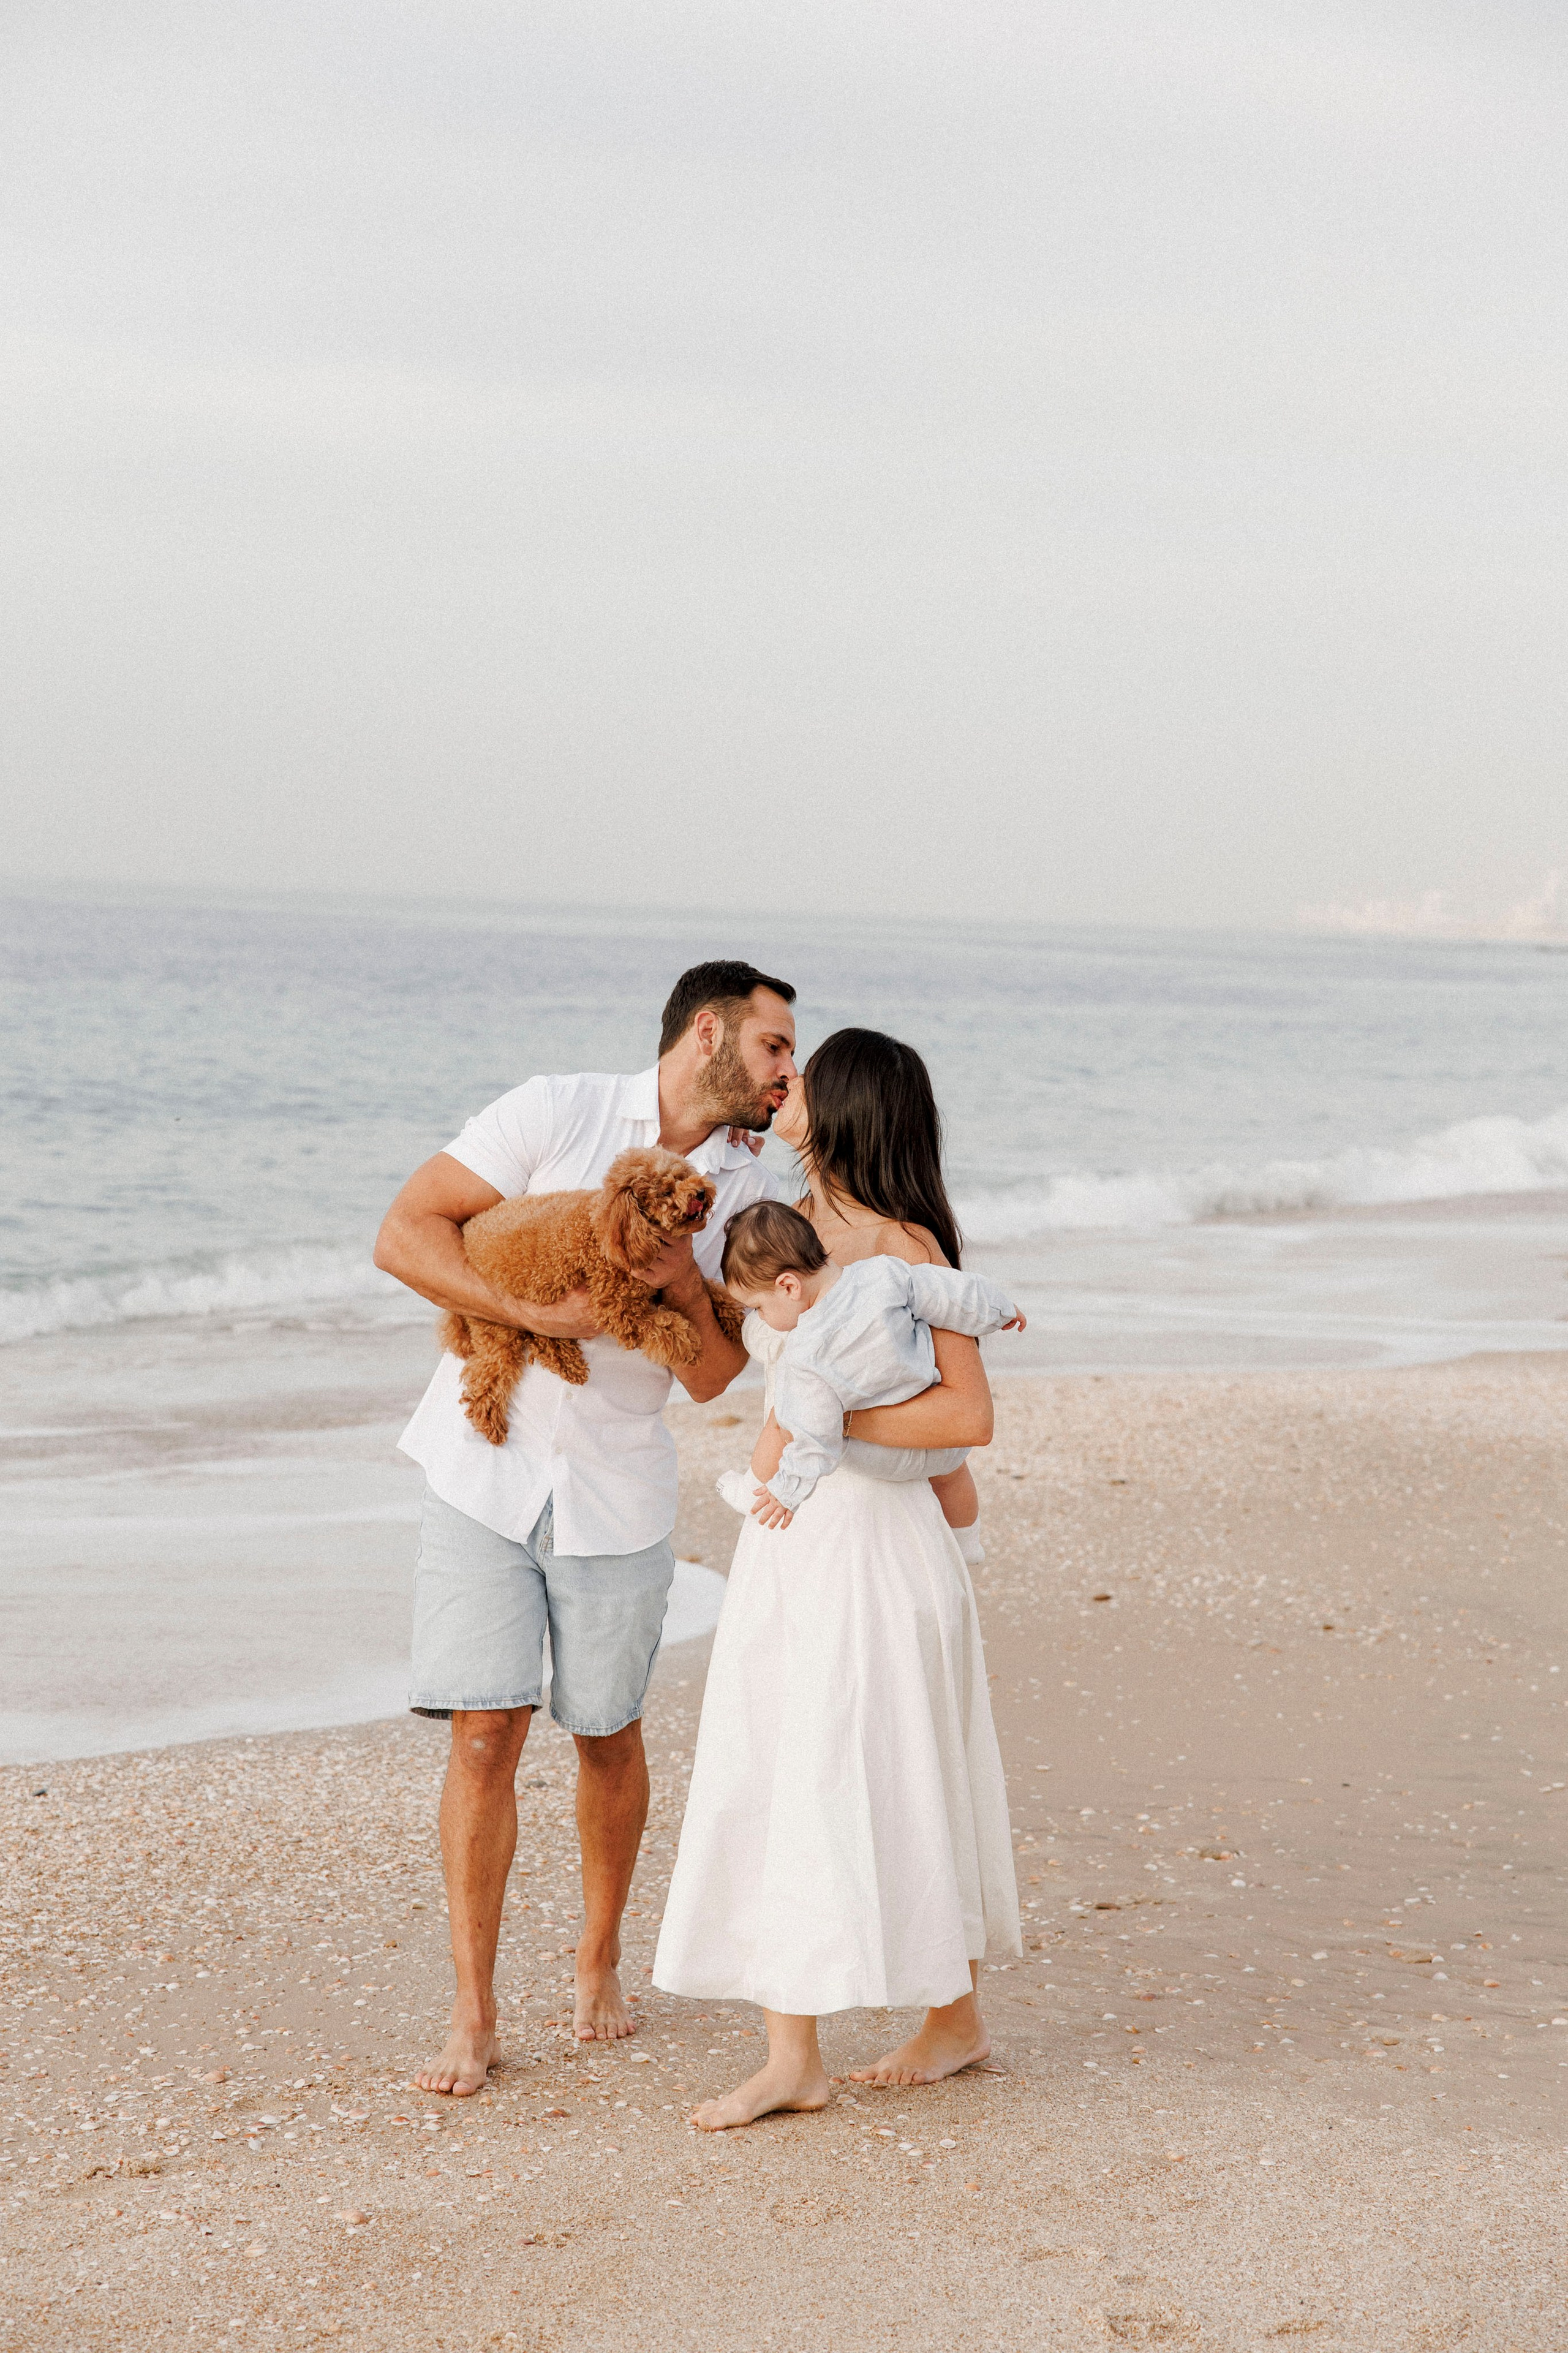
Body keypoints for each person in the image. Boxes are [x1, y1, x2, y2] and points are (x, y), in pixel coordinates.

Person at [373, 961, 796, 2093]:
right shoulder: (555, 1109)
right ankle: (471, 2011)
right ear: (707, 1033)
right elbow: (405, 1233)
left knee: (607, 1732)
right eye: (771, 1048)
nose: (784, 1072)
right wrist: (529, 1313)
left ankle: (598, 1957)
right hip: (483, 1464)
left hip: (617, 1486)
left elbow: (713, 1378)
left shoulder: (753, 1193)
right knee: (483, 1733)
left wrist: (677, 1282)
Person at [652, 1027, 1021, 2129]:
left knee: (867, 1768)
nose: (787, 1082)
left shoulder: (901, 1247)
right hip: (793, 1543)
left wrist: (821, 1419)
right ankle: (831, 2045)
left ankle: (883, 2035)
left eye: (807, 1075)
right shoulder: (784, 1229)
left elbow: (969, 1416)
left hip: (873, 1541)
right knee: (782, 1762)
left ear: (848, 1106)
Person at [713, 1199, 1024, 1527]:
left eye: (760, 1307)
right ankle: (965, 1542)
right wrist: (999, 1310)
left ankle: (749, 1489)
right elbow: (949, 1292)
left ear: (789, 1286)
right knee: (952, 1475)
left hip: (882, 1458)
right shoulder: (883, 1273)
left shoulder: (803, 1352)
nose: (762, 1317)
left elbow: (815, 1437)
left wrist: (788, 1492)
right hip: (940, 1445)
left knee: (785, 1418)